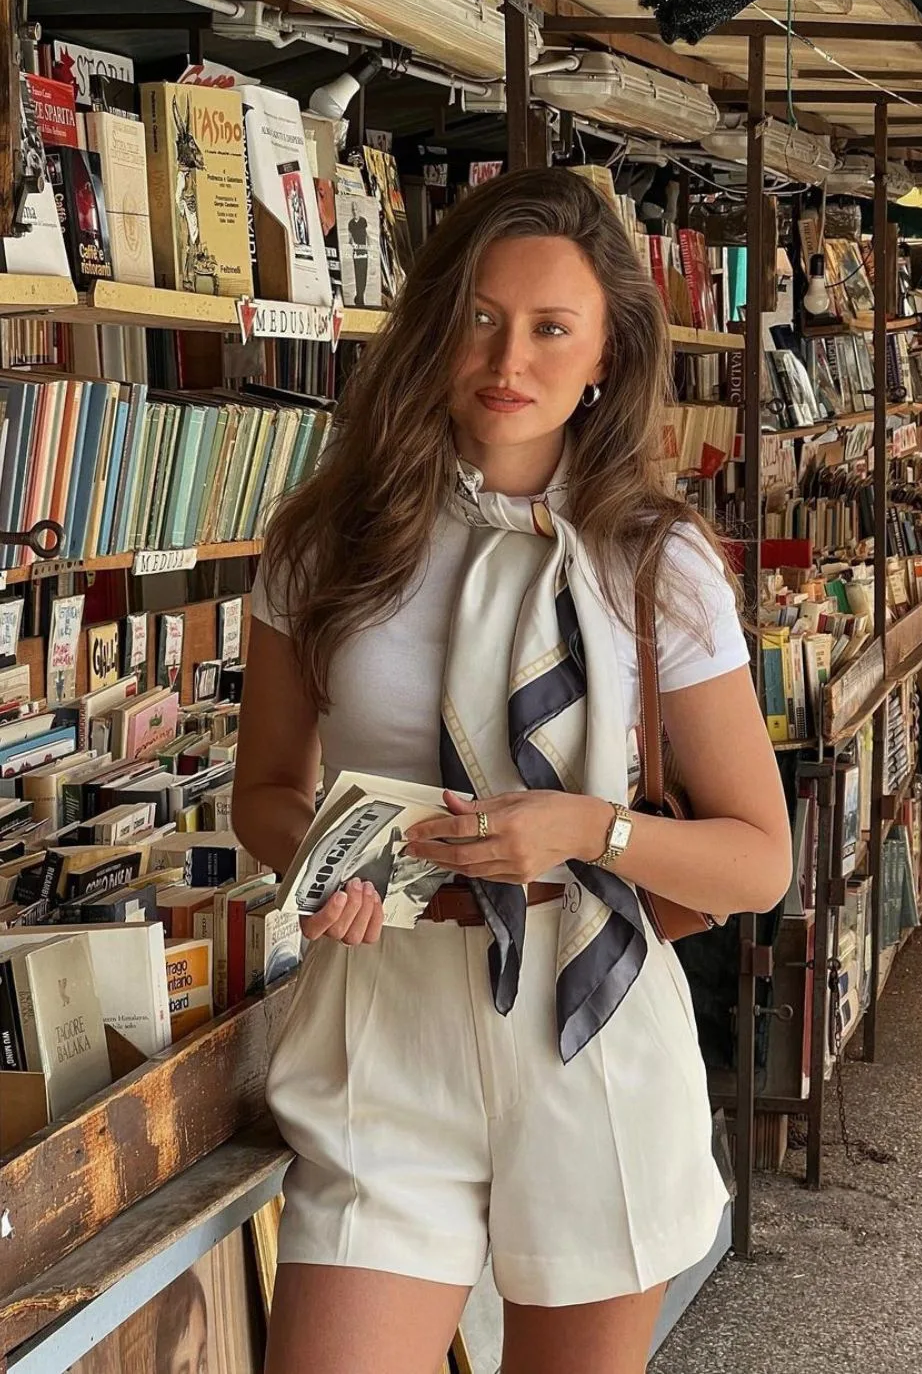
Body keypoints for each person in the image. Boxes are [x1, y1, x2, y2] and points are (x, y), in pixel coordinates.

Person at [234, 167, 792, 1374]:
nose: (509, 357)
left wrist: (591, 827)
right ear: (435, 323)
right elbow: (266, 788)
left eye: (551, 329)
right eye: (480, 316)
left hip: (584, 1018)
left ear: (604, 357)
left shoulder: (657, 562)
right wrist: (326, 862)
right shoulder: (325, 539)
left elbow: (758, 861)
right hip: (385, 1012)